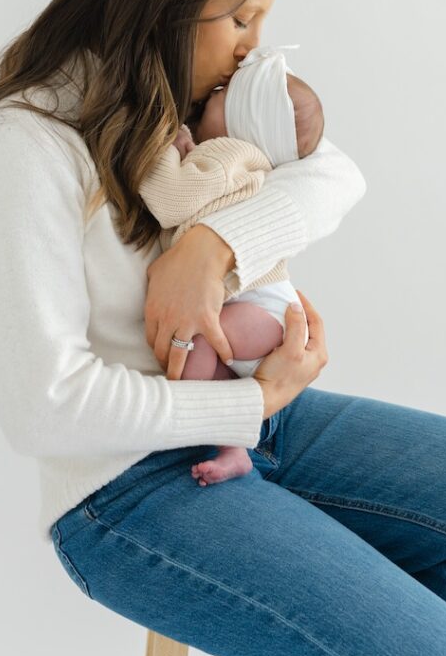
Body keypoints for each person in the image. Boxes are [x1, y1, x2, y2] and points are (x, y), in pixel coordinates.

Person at [0, 0, 446, 656]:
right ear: (166, 2)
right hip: (127, 485)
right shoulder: (28, 142)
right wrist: (248, 405)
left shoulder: (192, 105)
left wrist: (211, 246)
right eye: (240, 19)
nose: (251, 49)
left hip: (268, 422)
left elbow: (335, 173)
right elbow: (44, 408)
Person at [138, 42, 324, 487]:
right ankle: (234, 450)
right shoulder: (236, 159)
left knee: (196, 337)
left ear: (243, 122)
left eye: (225, 95)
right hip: (263, 313)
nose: (214, 92)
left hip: (265, 313)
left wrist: (162, 143)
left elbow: (170, 200)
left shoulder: (229, 155)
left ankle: (187, 428)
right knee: (213, 366)